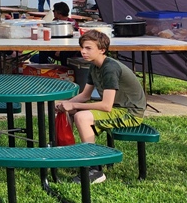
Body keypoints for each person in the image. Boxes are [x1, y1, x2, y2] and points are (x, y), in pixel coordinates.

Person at [57, 30, 146, 184]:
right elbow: (85, 95)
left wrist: (73, 105)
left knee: (81, 116)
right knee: (68, 111)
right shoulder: (94, 66)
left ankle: (94, 169)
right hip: (116, 109)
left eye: (88, 48)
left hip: (130, 112)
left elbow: (106, 106)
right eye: (82, 47)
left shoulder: (109, 68)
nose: (83, 51)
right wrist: (66, 104)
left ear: (102, 50)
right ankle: (68, 153)